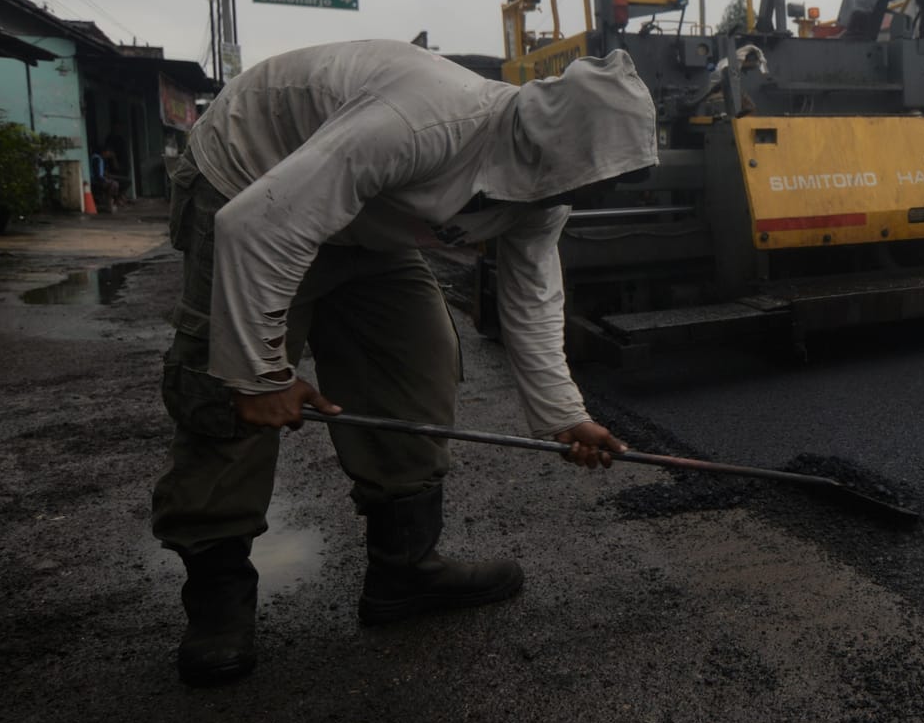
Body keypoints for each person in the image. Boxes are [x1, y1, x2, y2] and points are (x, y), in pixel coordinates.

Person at [152, 40, 658, 686]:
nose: (593, 193)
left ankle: (404, 569)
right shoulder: (428, 122)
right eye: (597, 177)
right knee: (222, 385)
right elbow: (257, 226)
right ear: (550, 140)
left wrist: (565, 416)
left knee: (419, 358)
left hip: (367, 221)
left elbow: (530, 297)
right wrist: (258, 376)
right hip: (251, 180)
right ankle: (219, 599)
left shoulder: (551, 188)